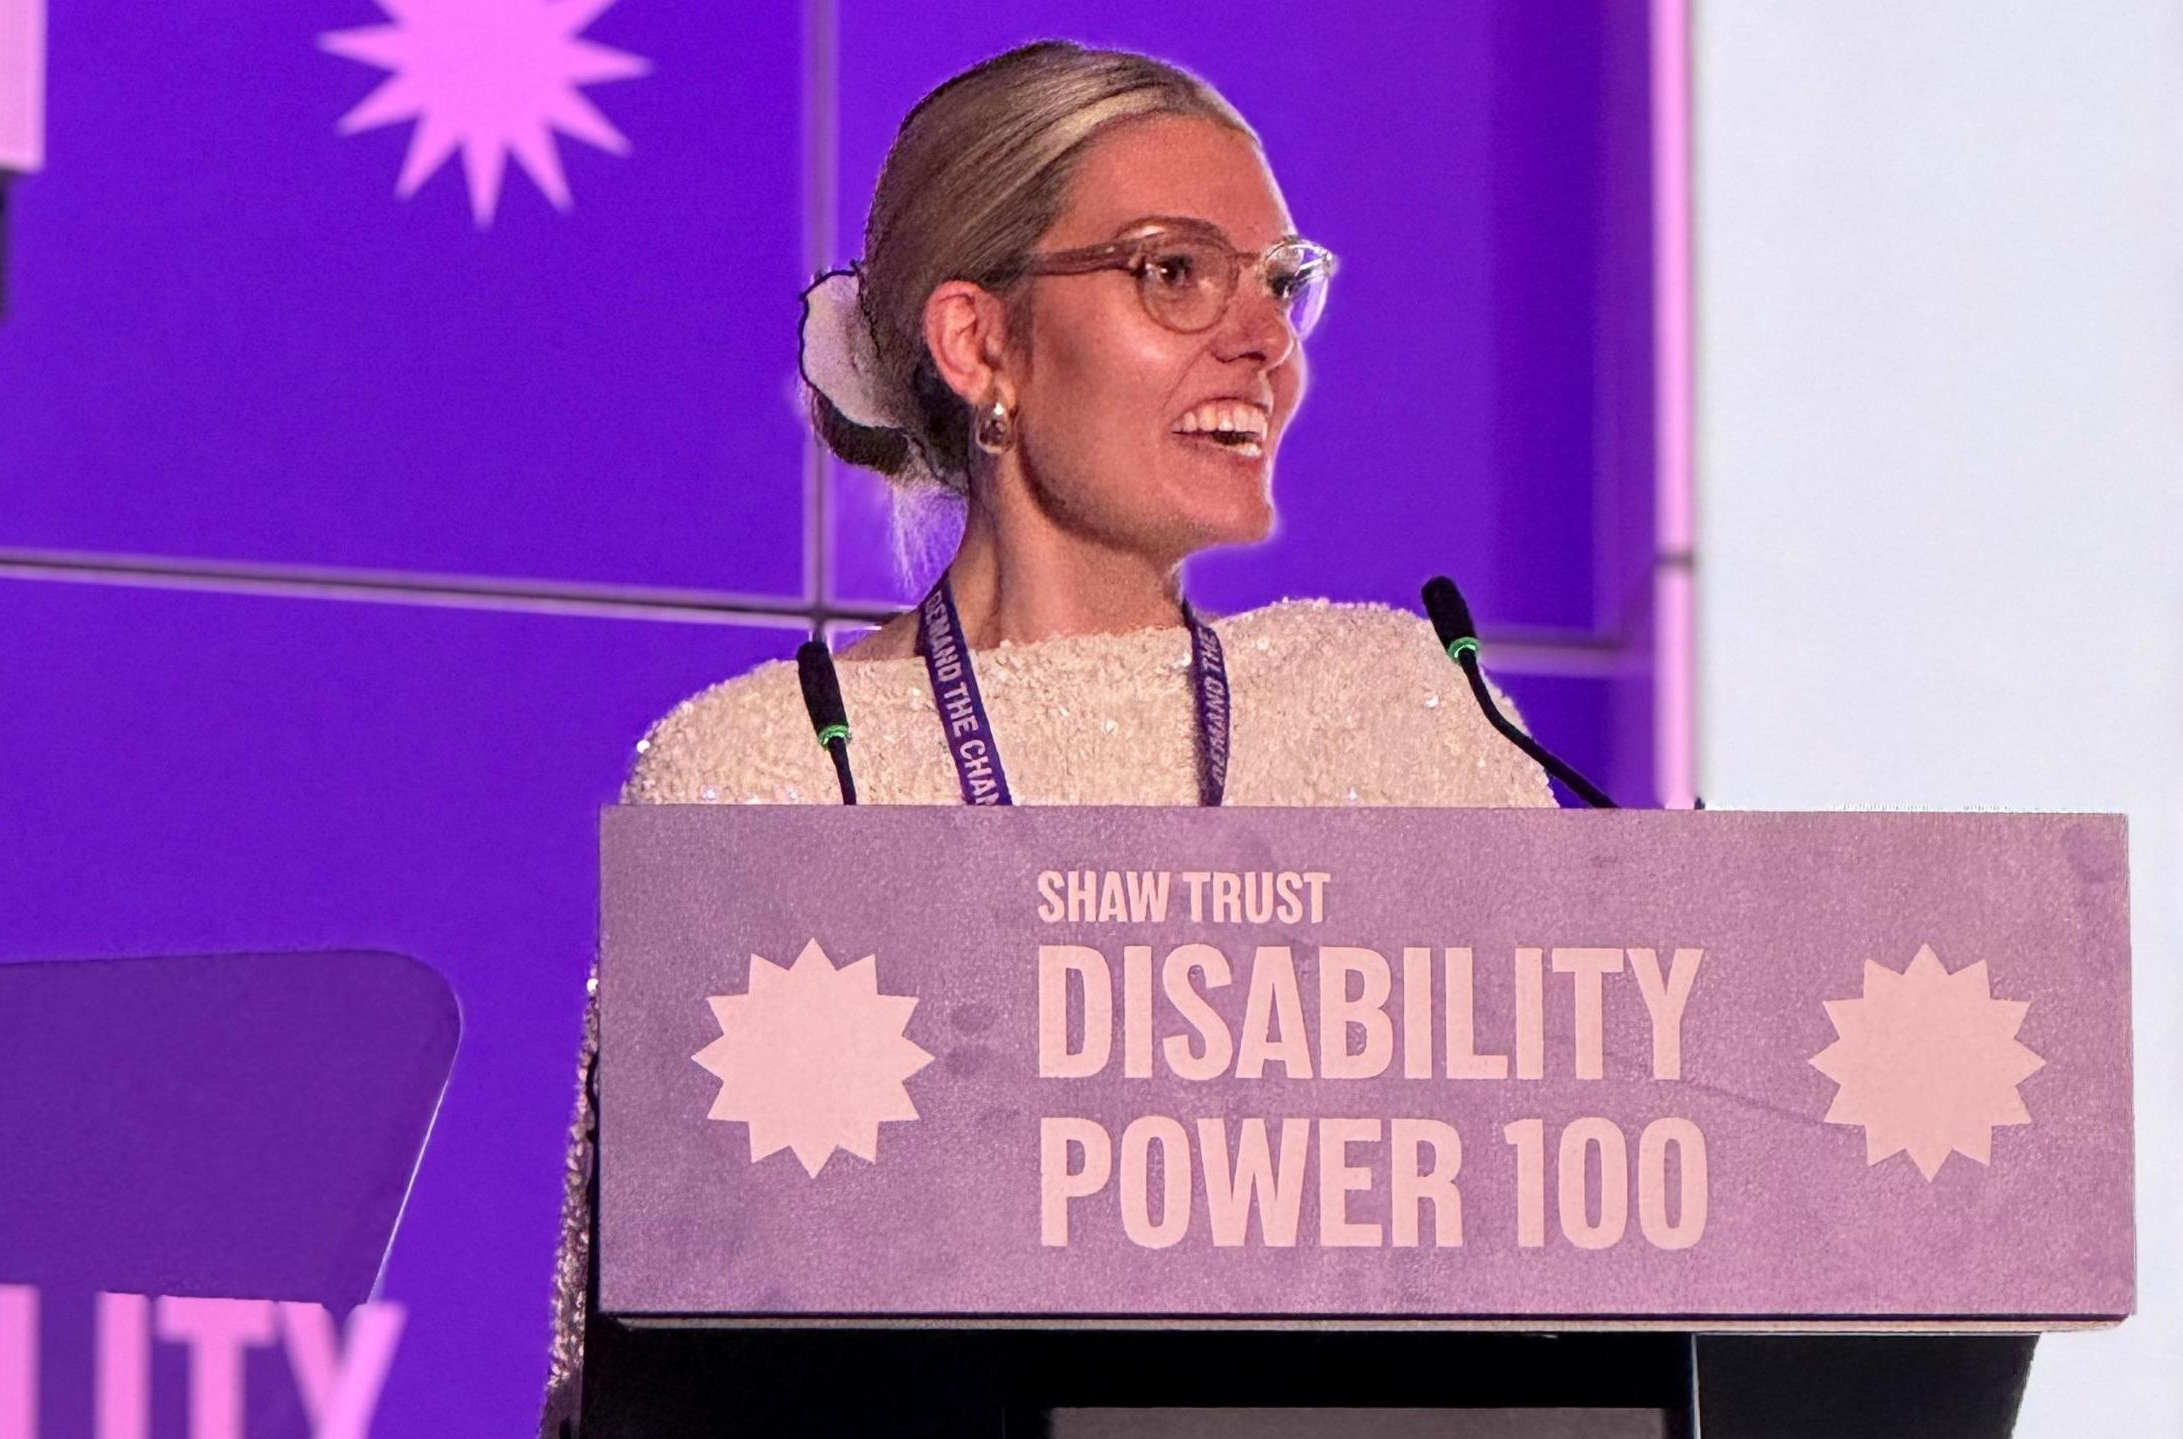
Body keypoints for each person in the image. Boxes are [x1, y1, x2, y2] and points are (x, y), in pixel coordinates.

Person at [542, 39, 1561, 1437]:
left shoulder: (1402, 713)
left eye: (1279, 283)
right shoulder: (772, 772)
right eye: (1175, 272)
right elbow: (641, 1371)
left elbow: (1574, 1236)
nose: (1263, 342)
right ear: (981, 345)